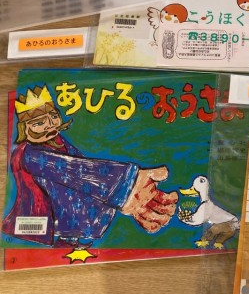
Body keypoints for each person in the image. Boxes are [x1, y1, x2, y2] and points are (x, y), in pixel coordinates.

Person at [2, 85, 178, 248]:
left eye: (53, 117)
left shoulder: (57, 142)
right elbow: (76, 169)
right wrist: (128, 185)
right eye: (39, 123)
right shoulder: (30, 155)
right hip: (44, 224)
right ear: (24, 128)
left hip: (69, 223)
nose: (50, 124)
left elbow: (82, 174)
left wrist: (125, 193)